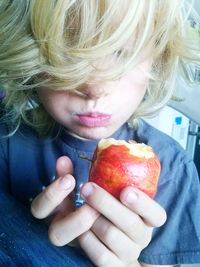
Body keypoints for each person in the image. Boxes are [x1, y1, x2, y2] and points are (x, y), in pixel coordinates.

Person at [0, 0, 200, 266]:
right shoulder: (7, 141)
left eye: (121, 52)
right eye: (67, 54)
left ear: (157, 60)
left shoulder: (174, 170)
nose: (94, 88)